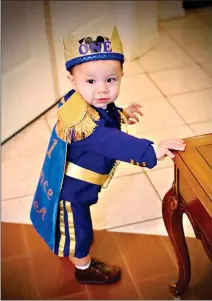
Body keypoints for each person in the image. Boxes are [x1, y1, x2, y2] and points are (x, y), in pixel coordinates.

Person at [30, 26, 186, 285]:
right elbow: (112, 141)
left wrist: (121, 113)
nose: (102, 89)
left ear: (121, 75)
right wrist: (152, 150)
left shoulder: (81, 101)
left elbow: (104, 115)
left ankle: (70, 247)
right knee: (80, 231)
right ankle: (84, 268)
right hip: (71, 192)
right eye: (90, 81)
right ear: (72, 81)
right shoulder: (84, 125)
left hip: (79, 186)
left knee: (76, 226)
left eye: (110, 80)